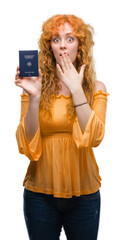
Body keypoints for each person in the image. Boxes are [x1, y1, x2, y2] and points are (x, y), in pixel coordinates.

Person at [15, 14, 110, 240]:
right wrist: (35, 96)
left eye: (70, 38)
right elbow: (26, 143)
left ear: (80, 44)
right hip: (39, 195)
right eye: (56, 39)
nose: (63, 45)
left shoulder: (97, 87)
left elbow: (94, 137)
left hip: (84, 195)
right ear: (49, 47)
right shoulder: (35, 86)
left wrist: (77, 90)